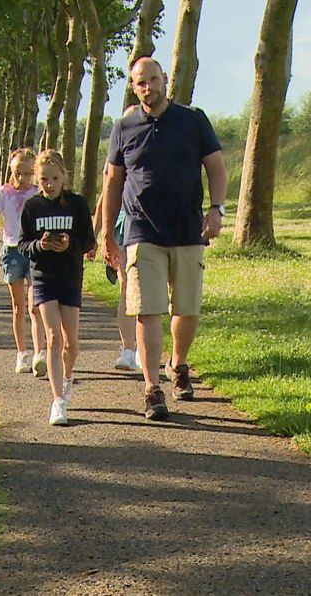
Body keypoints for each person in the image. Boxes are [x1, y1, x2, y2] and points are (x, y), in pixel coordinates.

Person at [101, 57, 228, 421]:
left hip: (188, 229)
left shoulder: (193, 120)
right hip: (142, 231)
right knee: (147, 310)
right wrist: (108, 233)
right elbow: (113, 182)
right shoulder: (124, 127)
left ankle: (179, 363)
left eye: (153, 80)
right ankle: (151, 388)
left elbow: (216, 168)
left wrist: (216, 208)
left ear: (165, 80)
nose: (148, 87)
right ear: (133, 85)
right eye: (141, 82)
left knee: (186, 309)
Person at [17, 149, 95, 426]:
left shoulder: (77, 204)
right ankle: (58, 401)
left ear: (64, 177)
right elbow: (23, 244)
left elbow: (88, 241)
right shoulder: (32, 207)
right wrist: (42, 244)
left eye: (53, 178)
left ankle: (68, 376)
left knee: (71, 343)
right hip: (43, 279)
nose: (48, 184)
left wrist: (69, 245)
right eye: (43, 179)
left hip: (70, 279)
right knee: (53, 338)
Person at [0, 148, 46, 375]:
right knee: (18, 307)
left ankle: (39, 353)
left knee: (35, 306)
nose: (22, 178)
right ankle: (22, 353)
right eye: (18, 173)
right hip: (11, 252)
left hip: (32, 251)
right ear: (12, 171)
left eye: (27, 173)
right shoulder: (4, 193)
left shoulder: (37, 193)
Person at [91, 163, 141, 373]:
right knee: (128, 287)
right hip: (122, 225)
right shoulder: (119, 145)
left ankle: (142, 348)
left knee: (146, 290)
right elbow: (106, 194)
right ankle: (128, 350)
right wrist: (95, 235)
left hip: (149, 224)